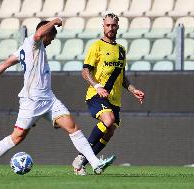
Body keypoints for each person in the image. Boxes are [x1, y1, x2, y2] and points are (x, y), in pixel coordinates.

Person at [0, 18, 116, 176]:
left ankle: (95, 163)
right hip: (32, 101)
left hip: (49, 100)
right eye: (52, 36)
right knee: (17, 137)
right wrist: (55, 21)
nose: (52, 40)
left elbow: (6, 63)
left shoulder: (25, 49)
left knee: (73, 128)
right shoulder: (33, 42)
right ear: (46, 34)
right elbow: (39, 33)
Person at [72, 13, 145, 176]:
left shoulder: (121, 50)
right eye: (108, 25)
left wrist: (134, 90)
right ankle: (82, 158)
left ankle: (82, 163)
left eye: (113, 25)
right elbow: (85, 71)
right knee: (108, 119)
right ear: (103, 26)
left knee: (110, 130)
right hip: (96, 95)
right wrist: (97, 86)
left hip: (114, 99)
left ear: (117, 27)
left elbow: (122, 77)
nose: (110, 28)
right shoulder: (96, 46)